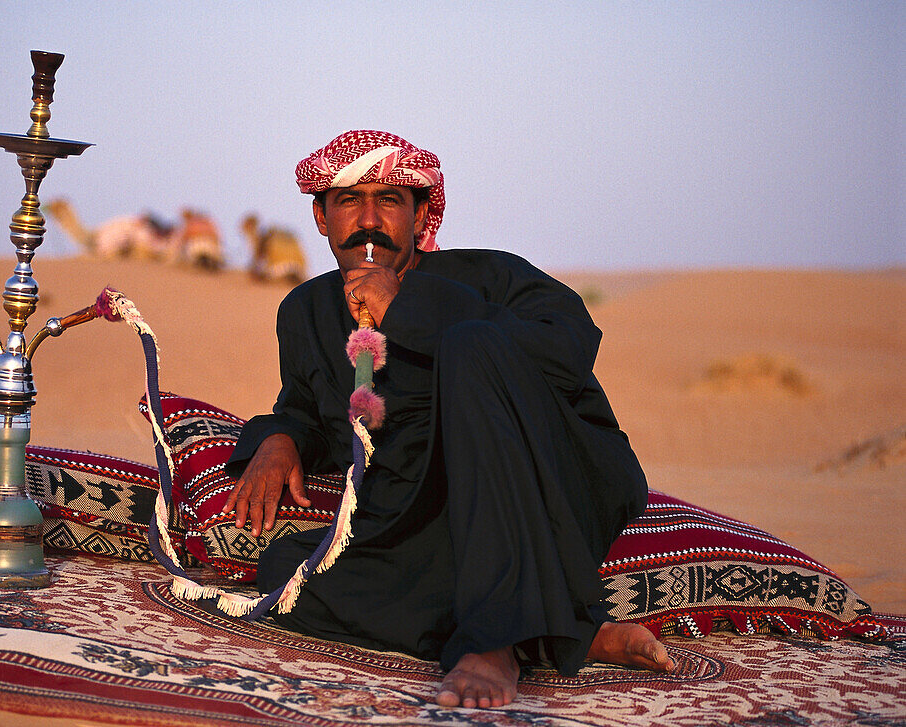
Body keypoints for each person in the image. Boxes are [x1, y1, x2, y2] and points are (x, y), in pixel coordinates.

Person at [222, 129, 673, 709]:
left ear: (419, 216)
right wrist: (278, 439)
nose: (367, 219)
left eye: (388, 201)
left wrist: (408, 309)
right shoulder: (305, 311)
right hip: (430, 507)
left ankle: (495, 642)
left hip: (546, 477)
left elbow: (570, 349)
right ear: (320, 216)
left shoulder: (489, 275)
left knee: (471, 344)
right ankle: (560, 636)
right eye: (348, 201)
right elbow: (309, 408)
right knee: (289, 573)